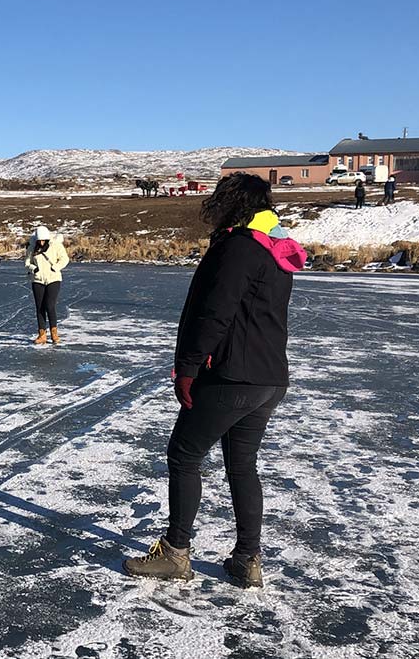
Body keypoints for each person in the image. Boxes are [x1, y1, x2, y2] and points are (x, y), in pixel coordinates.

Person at [122, 172, 306, 588]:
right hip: (268, 377)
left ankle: (175, 553)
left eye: (221, 199)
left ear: (234, 203)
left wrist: (187, 367)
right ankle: (247, 559)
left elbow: (216, 312)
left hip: (231, 376)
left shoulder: (240, 248)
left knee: (184, 455)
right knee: (242, 466)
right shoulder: (272, 248)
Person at [24, 226, 69, 344]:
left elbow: (65, 259)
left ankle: (54, 333)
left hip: (53, 279)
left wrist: (56, 267)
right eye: (40, 240)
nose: (41, 242)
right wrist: (33, 268)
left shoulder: (56, 246)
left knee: (50, 305)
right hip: (38, 280)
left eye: (44, 240)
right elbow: (27, 262)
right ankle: (42, 334)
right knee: (40, 307)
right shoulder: (32, 247)